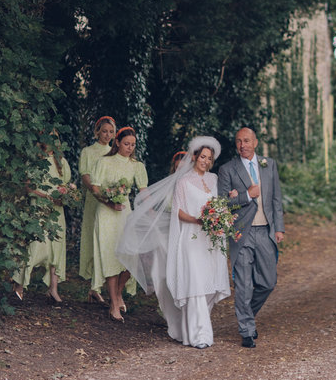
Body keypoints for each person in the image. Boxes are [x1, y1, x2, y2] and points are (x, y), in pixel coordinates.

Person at [117, 136, 232, 349]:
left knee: (207, 287)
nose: (205, 161)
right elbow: (178, 212)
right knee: (195, 284)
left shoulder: (215, 180)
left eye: (209, 158)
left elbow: (220, 204)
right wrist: (199, 220)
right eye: (202, 156)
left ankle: (188, 329)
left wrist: (219, 217)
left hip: (209, 240)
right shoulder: (183, 181)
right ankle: (200, 335)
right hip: (191, 238)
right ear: (195, 157)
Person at [216, 127, 285, 348]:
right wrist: (246, 196)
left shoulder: (269, 164)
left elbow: (276, 198)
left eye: (246, 141)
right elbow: (222, 203)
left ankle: (246, 316)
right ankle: (246, 329)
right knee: (243, 284)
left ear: (255, 142)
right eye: (238, 141)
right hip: (241, 233)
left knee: (268, 282)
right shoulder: (227, 170)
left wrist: (279, 228)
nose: (242, 145)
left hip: (265, 231)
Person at [90, 126, 148, 321]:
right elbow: (95, 187)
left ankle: (117, 292)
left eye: (133, 145)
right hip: (106, 215)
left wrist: (154, 211)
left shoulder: (137, 166)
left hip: (125, 214)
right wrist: (108, 201)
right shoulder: (104, 162)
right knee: (110, 257)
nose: (130, 148)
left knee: (131, 258)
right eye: (126, 144)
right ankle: (114, 305)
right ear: (117, 142)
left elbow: (144, 192)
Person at [11, 141, 72, 304]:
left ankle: (53, 288)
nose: (52, 143)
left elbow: (66, 186)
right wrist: (45, 197)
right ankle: (19, 286)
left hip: (57, 211)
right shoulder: (35, 161)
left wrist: (64, 197)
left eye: (56, 138)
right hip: (39, 208)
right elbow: (29, 188)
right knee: (35, 246)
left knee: (56, 247)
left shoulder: (62, 162)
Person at [79, 115, 116, 304]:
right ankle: (93, 285)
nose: (107, 135)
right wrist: (96, 193)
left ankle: (99, 286)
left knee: (106, 240)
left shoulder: (114, 152)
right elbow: (85, 175)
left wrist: (111, 195)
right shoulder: (88, 151)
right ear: (97, 132)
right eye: (104, 131)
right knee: (93, 239)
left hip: (109, 202)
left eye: (111, 132)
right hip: (94, 200)